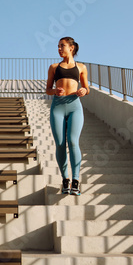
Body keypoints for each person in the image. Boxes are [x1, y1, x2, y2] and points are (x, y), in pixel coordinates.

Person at [46, 37, 89, 195]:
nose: (58, 49)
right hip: (58, 106)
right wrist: (54, 91)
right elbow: (47, 89)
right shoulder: (54, 67)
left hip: (74, 106)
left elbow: (86, 87)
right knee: (59, 143)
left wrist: (84, 90)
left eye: (61, 46)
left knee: (72, 141)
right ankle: (65, 179)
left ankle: (76, 180)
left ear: (71, 48)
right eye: (58, 46)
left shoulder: (81, 67)